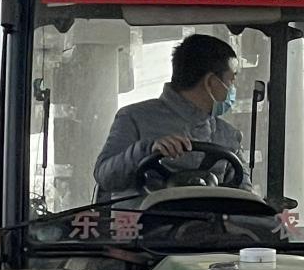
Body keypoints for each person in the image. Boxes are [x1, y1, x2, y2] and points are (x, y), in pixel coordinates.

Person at [93, 32, 246, 197]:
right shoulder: (134, 118)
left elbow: (246, 199)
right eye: (232, 80)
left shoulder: (228, 136)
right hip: (145, 220)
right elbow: (105, 177)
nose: (233, 89)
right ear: (211, 82)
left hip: (212, 222)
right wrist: (145, 150)